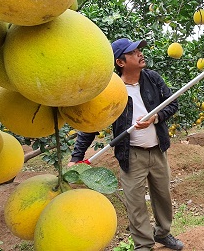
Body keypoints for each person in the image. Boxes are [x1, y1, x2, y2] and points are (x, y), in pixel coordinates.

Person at [68, 38, 183, 251]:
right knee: (136, 202)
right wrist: (77, 156)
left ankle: (163, 234)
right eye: (134, 52)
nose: (140, 53)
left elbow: (172, 103)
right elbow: (94, 123)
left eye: (140, 50)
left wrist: (155, 118)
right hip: (131, 155)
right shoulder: (112, 89)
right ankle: (143, 245)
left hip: (158, 151)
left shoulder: (153, 79)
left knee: (163, 198)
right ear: (121, 62)